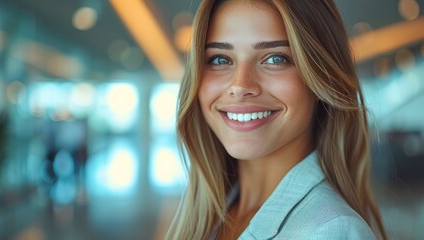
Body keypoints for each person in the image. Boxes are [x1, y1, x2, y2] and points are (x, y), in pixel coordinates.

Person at [166, 0, 387, 239]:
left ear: (322, 77)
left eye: (275, 59)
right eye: (220, 59)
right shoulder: (214, 214)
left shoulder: (332, 231)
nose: (240, 86)